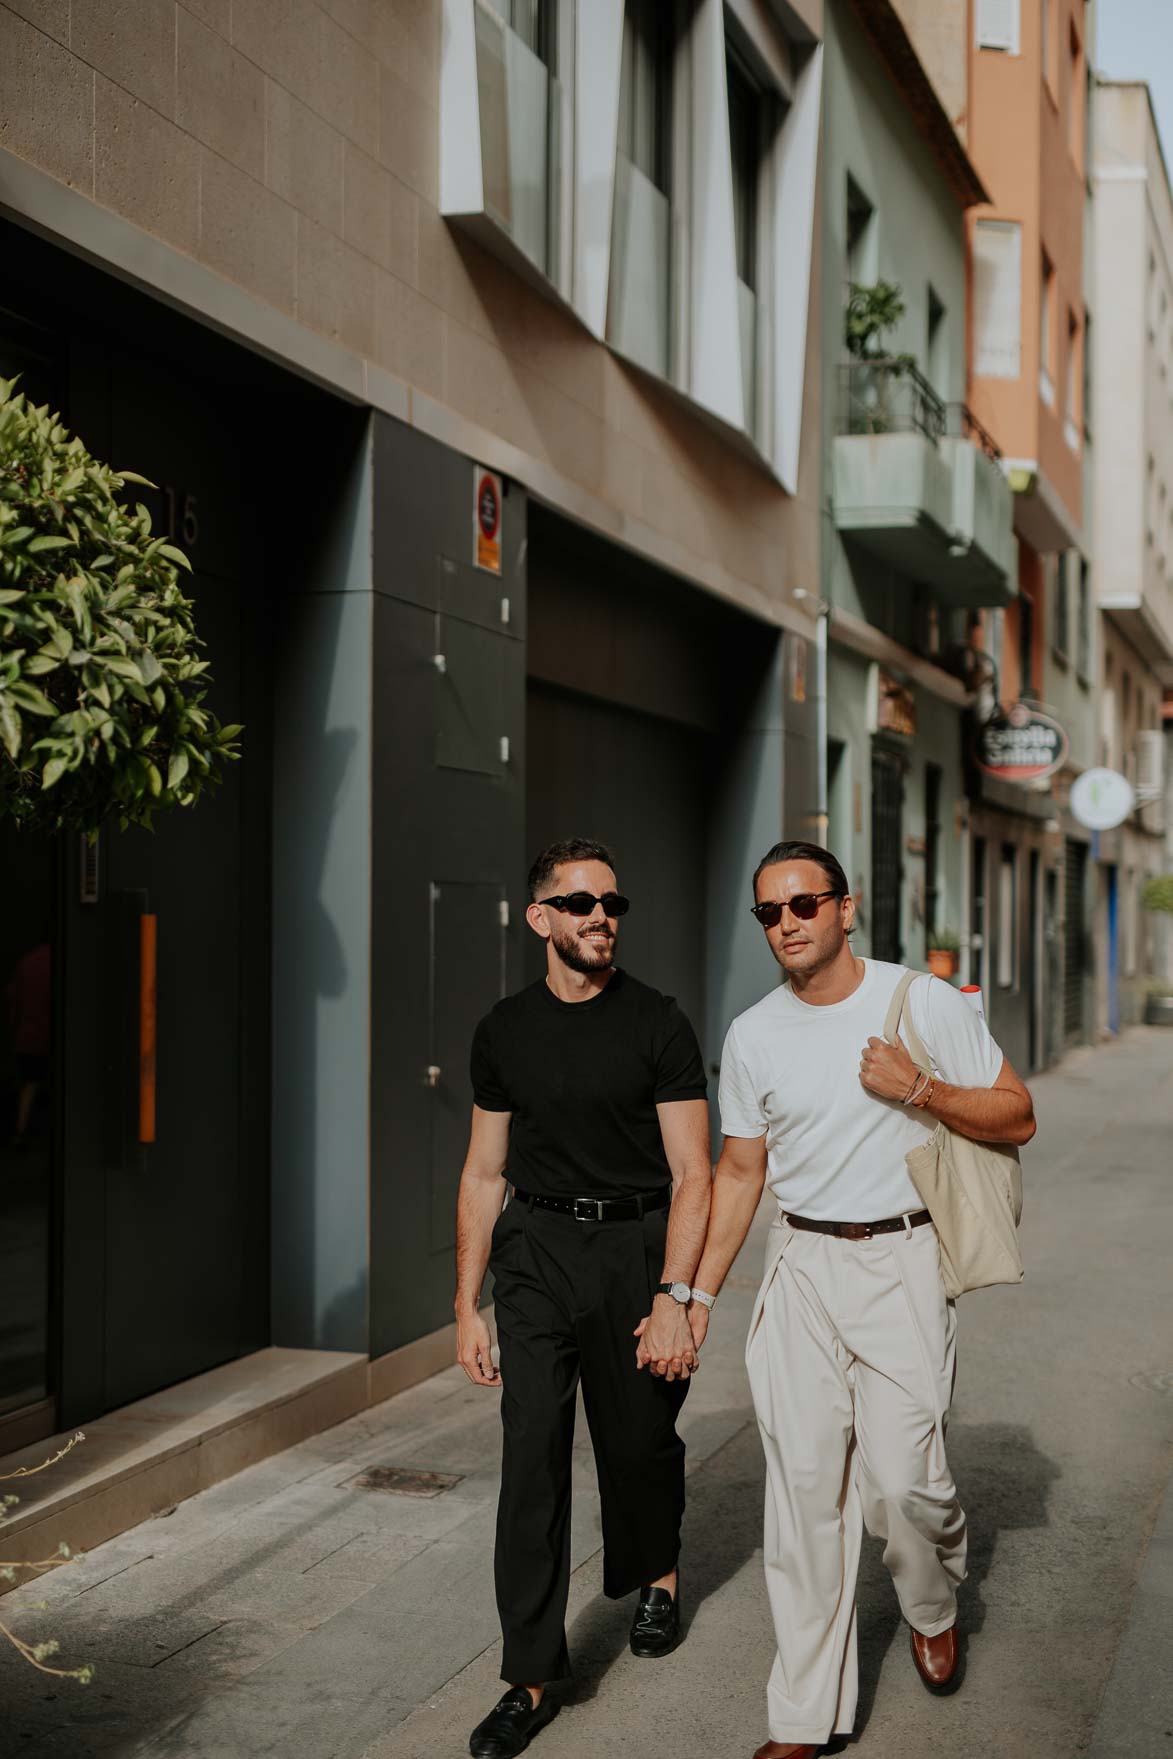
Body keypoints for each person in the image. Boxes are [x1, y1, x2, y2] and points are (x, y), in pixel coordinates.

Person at [686, 841, 1036, 1759]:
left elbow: (1018, 1114)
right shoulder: (753, 1032)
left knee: (904, 1485)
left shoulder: (918, 999)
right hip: (800, 1266)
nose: (787, 922)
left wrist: (915, 1086)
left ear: (847, 908)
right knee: (802, 1500)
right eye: (769, 911)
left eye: (805, 903)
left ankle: (929, 1601)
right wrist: (693, 1292)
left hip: (903, 1260)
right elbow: (738, 1172)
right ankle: (803, 1717)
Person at [454, 838, 713, 1759]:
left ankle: (658, 1574)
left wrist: (677, 1294)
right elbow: (484, 1172)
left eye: (611, 901)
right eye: (580, 903)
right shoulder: (503, 1030)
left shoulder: (658, 1022)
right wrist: (464, 1304)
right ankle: (528, 1675)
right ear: (540, 919)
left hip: (634, 1244)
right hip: (535, 1250)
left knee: (637, 1436)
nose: (601, 915)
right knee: (530, 1457)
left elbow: (693, 1172)